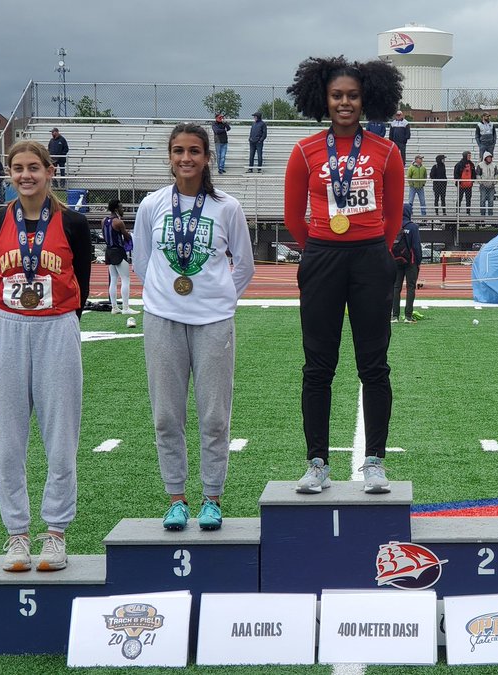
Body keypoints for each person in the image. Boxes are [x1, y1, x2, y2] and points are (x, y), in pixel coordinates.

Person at [284, 55, 404, 494]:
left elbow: (392, 215)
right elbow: (293, 216)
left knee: (374, 366)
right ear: (324, 98)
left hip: (371, 258)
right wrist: (320, 246)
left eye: (353, 96)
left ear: (366, 98)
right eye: (337, 96)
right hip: (323, 259)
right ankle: (316, 462)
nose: (345, 103)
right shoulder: (305, 151)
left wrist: (376, 249)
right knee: (318, 367)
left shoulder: (387, 150)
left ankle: (374, 461)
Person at [133, 122, 255, 531]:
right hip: (163, 321)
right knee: (167, 415)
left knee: (215, 417)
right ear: (170, 156)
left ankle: (212, 498)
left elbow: (245, 265)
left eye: (195, 151)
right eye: (179, 150)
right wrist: (165, 295)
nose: (186, 158)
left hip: (213, 325)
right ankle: (176, 498)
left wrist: (218, 299)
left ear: (207, 158)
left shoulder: (228, 208)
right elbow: (143, 262)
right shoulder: (152, 205)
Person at [0, 140, 92, 572]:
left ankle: (56, 534)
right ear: (9, 174)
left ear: (50, 172)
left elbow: (81, 278)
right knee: (8, 439)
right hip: (7, 326)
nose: (25, 175)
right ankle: (16, 535)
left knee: (60, 436)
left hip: (57, 327)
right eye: (17, 168)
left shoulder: (74, 223)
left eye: (34, 168)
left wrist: (59, 316)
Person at [102, 199, 136, 315]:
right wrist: (130, 234)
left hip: (109, 252)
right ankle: (126, 308)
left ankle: (114, 307)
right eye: (121, 207)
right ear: (116, 209)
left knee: (113, 280)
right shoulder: (118, 222)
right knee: (125, 279)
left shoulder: (104, 220)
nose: (123, 210)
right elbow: (127, 237)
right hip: (118, 251)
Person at [390, 204, 422, 323]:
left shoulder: (395, 225)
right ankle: (408, 316)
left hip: (396, 261)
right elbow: (416, 246)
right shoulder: (413, 227)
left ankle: (394, 316)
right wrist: (418, 261)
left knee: (395, 287)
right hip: (411, 261)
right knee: (410, 287)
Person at [477, 151, 498, 218]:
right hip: (483, 186)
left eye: (490, 157)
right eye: (488, 157)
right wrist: (481, 182)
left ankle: (490, 215)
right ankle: (482, 214)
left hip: (491, 186)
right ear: (485, 158)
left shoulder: (494, 165)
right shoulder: (480, 165)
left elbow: (496, 175)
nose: (490, 159)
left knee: (491, 201)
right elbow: (477, 175)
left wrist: (494, 182)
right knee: (482, 200)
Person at [454, 150, 475, 216]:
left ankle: (468, 212)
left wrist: (472, 181)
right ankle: (457, 212)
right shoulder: (459, 164)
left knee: (468, 199)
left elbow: (474, 174)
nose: (470, 157)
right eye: (468, 155)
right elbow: (456, 174)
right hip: (461, 186)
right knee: (459, 199)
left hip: (469, 185)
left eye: (470, 155)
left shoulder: (471, 164)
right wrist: (459, 183)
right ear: (465, 156)